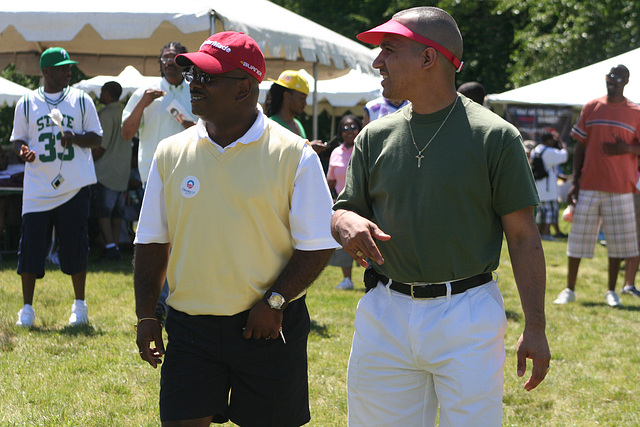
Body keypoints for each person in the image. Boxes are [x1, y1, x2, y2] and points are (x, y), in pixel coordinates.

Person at [331, 7, 550, 426]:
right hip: (384, 313)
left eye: (389, 50)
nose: (378, 62)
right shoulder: (374, 136)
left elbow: (524, 238)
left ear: (429, 58)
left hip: (466, 314)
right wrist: (345, 223)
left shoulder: (495, 137)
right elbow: (344, 211)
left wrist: (535, 327)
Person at [133, 31, 338, 426]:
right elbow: (152, 241)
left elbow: (317, 242)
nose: (194, 84)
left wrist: (275, 301)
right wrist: (146, 316)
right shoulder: (171, 152)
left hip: (268, 326)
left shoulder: (293, 153)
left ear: (245, 88)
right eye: (193, 74)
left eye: (208, 77)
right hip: (190, 329)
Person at [11, 47, 102, 327]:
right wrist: (22, 151)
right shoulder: (26, 103)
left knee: (76, 246)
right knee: (31, 247)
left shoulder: (81, 100)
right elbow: (18, 140)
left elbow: (96, 139)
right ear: (46, 72)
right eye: (63, 68)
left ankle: (79, 306)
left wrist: (75, 138)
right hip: (38, 187)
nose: (68, 71)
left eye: (68, 67)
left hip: (73, 186)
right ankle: (26, 309)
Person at [555, 65, 640, 308]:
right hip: (589, 183)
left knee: (617, 243)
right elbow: (580, 145)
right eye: (609, 77)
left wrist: (626, 149)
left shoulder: (635, 111)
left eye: (617, 77)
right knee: (577, 240)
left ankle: (611, 291)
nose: (611, 81)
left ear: (626, 81)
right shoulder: (591, 107)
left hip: (621, 186)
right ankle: (569, 289)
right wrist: (575, 181)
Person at [122, 41, 195, 322]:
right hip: (150, 177)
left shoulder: (195, 89)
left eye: (175, 58)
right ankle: (158, 303)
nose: (169, 63)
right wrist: (143, 103)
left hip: (190, 175)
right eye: (164, 58)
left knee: (185, 239)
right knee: (155, 241)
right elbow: (127, 133)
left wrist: (191, 125)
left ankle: (181, 298)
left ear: (185, 62)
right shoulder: (144, 91)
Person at [92, 81, 131, 262]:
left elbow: (101, 146)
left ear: (107, 93)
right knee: (117, 214)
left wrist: (87, 161)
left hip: (105, 171)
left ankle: (110, 248)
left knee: (103, 213)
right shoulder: (127, 112)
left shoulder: (106, 114)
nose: (100, 95)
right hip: (122, 171)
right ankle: (114, 245)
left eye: (102, 92)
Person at [326, 114, 362, 290]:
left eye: (353, 127)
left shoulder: (364, 148)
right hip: (344, 205)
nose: (349, 131)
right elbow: (330, 181)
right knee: (345, 240)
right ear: (341, 132)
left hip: (364, 203)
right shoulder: (335, 153)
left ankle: (371, 276)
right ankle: (347, 279)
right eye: (345, 128)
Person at [264, 70, 326, 153]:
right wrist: (308, 148)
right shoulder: (271, 125)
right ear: (287, 96)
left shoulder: (298, 124)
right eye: (301, 98)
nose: (305, 103)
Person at [531, 131, 568, 241]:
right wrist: (562, 143)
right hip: (549, 188)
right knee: (551, 212)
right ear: (548, 140)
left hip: (538, 186)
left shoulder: (536, 150)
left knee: (540, 213)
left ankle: (539, 233)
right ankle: (546, 233)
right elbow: (564, 156)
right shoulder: (550, 152)